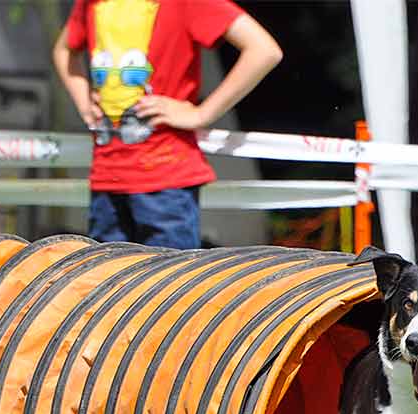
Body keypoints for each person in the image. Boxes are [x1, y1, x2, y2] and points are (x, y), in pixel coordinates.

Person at [53, 0, 281, 248]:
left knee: (169, 284)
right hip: (106, 177)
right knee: (107, 282)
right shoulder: (89, 4)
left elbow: (264, 50)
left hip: (165, 184)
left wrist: (202, 114)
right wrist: (83, 99)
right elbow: (63, 50)